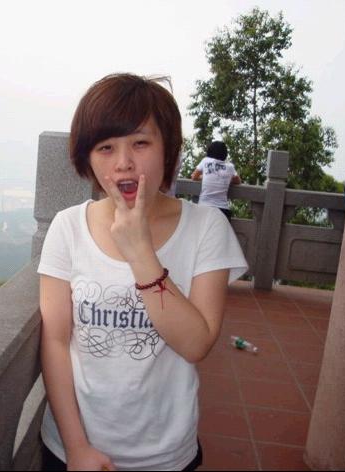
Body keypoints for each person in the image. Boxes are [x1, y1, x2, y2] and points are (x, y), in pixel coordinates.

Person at [38, 73, 248, 471]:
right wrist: (76, 446)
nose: (124, 163)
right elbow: (55, 341)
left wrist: (140, 252)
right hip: (72, 448)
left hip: (165, 455)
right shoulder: (68, 227)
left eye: (140, 143)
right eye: (105, 147)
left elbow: (196, 344)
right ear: (87, 158)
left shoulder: (205, 228)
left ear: (168, 149)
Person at [191, 141, 241, 222]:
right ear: (225, 154)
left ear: (210, 151)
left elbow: (194, 177)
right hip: (223, 211)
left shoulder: (205, 161)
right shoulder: (230, 166)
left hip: (204, 207)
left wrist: (204, 177)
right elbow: (238, 181)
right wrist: (225, 179)